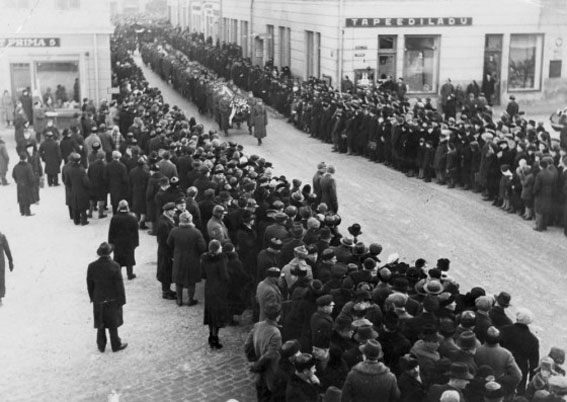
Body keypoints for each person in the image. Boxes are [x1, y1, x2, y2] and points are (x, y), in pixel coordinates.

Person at [86, 242, 128, 353]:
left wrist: (93, 297)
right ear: (110, 253)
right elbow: (119, 285)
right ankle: (116, 344)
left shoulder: (92, 266)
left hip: (98, 299)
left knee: (100, 323)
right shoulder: (115, 266)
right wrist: (122, 300)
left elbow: (90, 285)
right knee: (113, 323)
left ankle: (101, 345)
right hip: (112, 299)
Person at [245, 302, 283, 402]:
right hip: (271, 370)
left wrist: (252, 360)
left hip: (260, 369)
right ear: (278, 316)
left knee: (261, 395)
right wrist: (256, 365)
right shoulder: (275, 333)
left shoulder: (257, 325)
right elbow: (269, 355)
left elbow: (247, 345)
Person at [167, 211, 207, 306]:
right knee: (191, 281)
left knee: (178, 280)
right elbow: (203, 247)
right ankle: (190, 300)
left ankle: (179, 300)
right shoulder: (196, 232)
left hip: (178, 258)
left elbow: (169, 243)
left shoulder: (174, 231)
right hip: (192, 259)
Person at [201, 239, 229, 349]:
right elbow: (224, 275)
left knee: (210, 312)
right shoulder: (221, 259)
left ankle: (210, 335)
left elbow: (202, 274)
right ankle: (215, 337)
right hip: (219, 288)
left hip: (208, 287)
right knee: (217, 314)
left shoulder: (204, 258)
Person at [108, 200, 139, 280]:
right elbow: (135, 232)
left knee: (118, 259)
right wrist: (136, 243)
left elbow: (111, 232)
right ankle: (130, 274)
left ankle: (118, 275)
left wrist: (111, 242)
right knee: (129, 258)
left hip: (118, 242)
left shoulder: (114, 218)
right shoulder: (132, 218)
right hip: (129, 242)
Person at [156, 202, 177, 300]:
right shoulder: (163, 223)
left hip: (166, 250)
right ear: (168, 211)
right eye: (173, 211)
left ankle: (167, 289)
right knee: (165, 270)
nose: (174, 213)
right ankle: (165, 292)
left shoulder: (166, 219)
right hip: (166, 251)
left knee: (167, 270)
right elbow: (164, 240)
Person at [12, 152, 35, 216]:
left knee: (21, 197)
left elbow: (13, 175)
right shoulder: (28, 166)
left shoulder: (16, 166)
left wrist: (17, 181)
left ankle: (22, 211)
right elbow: (31, 176)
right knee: (27, 198)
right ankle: (27, 212)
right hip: (27, 185)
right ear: (26, 158)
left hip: (19, 185)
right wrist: (32, 183)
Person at [0, 231, 14, 305]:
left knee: (1, 280)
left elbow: (7, 249)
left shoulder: (2, 237)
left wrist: (10, 260)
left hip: (0, 263)